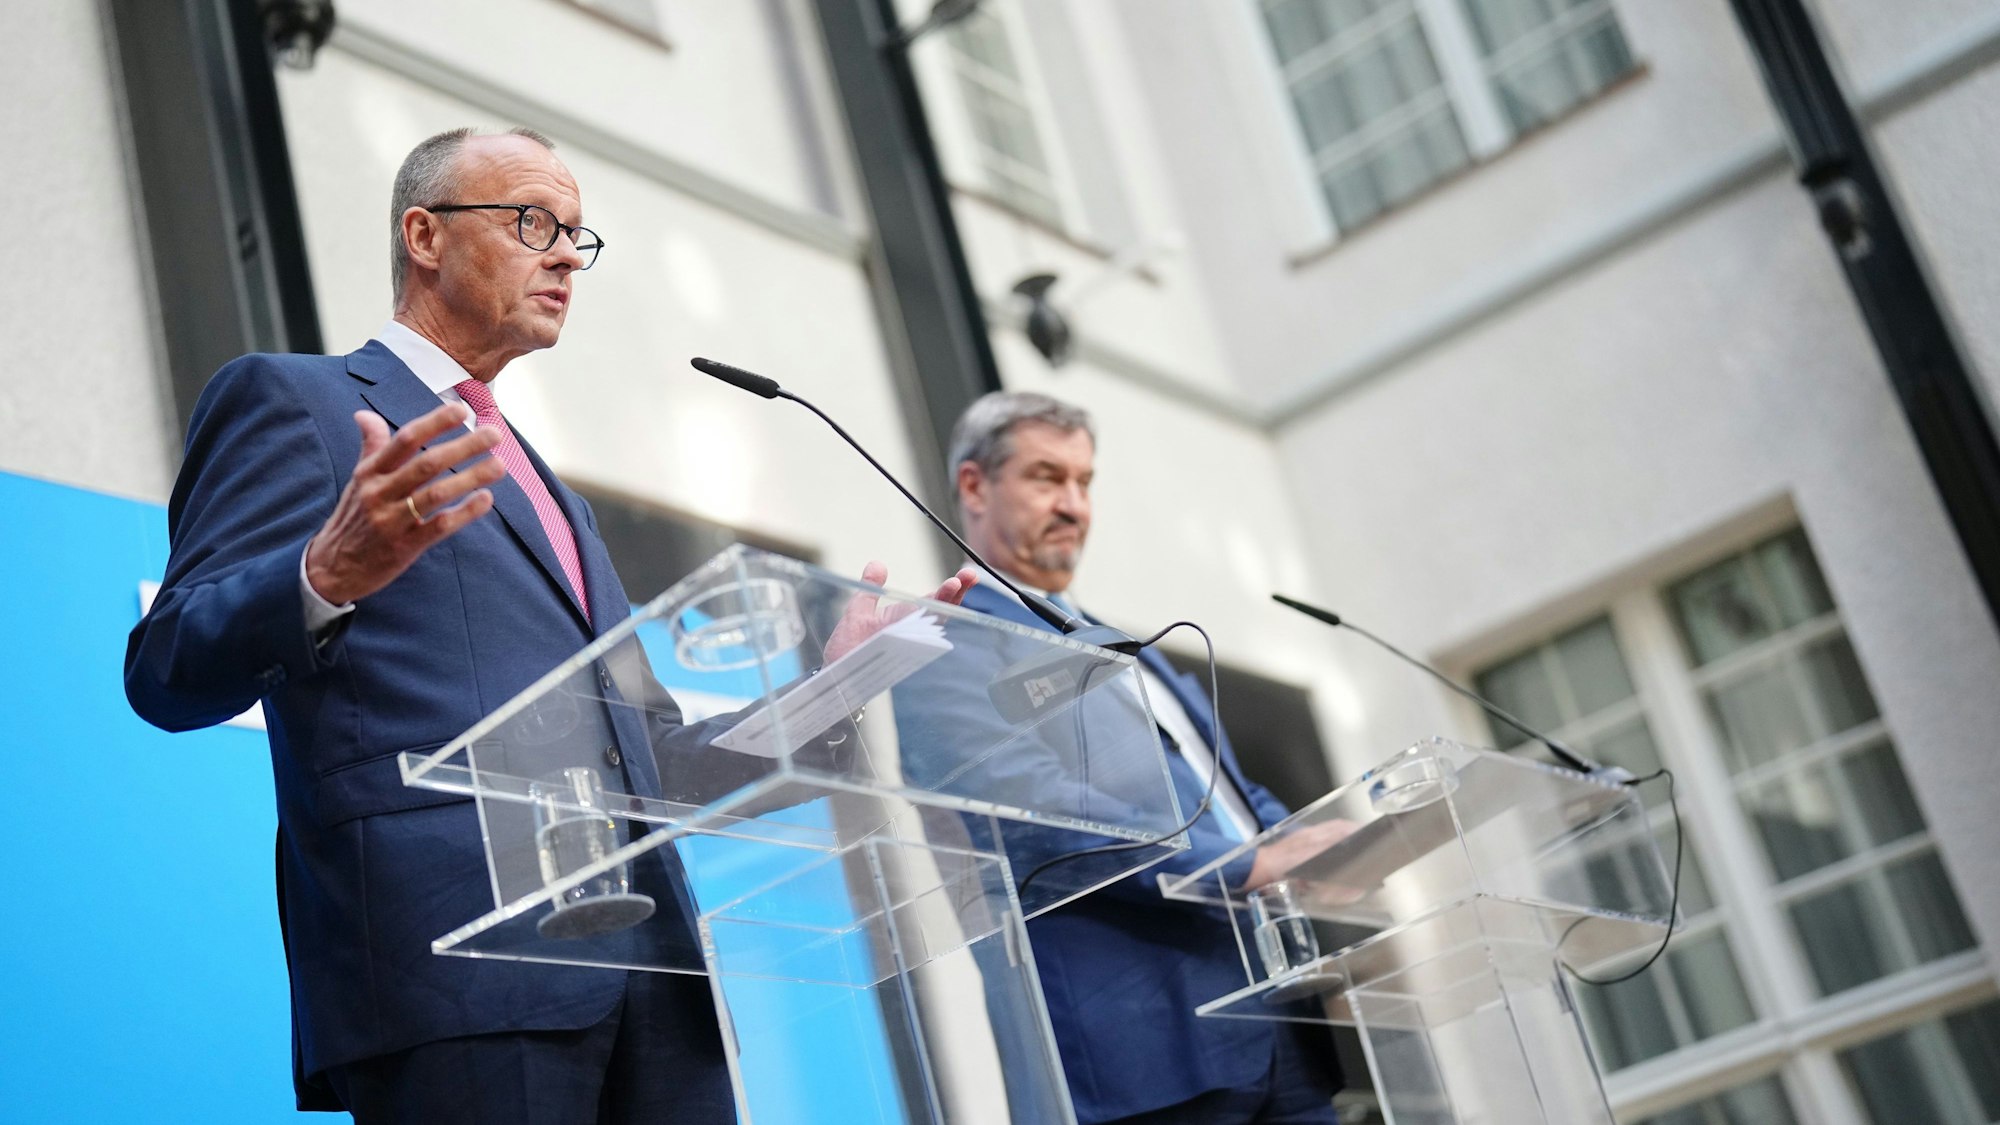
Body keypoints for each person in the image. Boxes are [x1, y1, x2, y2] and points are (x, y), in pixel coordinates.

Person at [123, 126, 973, 1123]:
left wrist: (826, 696)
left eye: (576, 234)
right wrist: (324, 573)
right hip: (459, 977)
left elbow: (650, 761)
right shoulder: (296, 402)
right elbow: (167, 665)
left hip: (659, 987)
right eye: (533, 222)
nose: (567, 255)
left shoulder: (554, 498)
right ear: (425, 236)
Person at [940, 391, 1342, 1124]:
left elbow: (1229, 792)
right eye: (1046, 477)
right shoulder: (952, 641)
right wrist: (1248, 865)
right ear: (975, 485)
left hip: (1280, 1024)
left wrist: (1315, 842)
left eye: (1084, 482)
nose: (1074, 505)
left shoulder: (1127, 642)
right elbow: (1041, 816)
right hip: (1149, 1056)